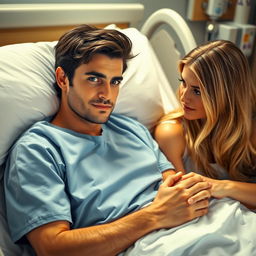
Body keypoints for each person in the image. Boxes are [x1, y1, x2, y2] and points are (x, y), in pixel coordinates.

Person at [4, 25, 211, 256]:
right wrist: (155, 215)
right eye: (94, 79)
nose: (107, 94)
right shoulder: (38, 149)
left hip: (204, 226)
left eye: (115, 82)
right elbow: (52, 247)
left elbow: (174, 184)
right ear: (63, 79)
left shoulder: (131, 128)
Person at [154, 40, 256, 209]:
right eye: (183, 82)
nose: (184, 97)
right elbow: (183, 199)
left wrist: (224, 187)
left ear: (226, 95)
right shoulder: (172, 133)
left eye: (197, 91)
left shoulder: (251, 133)